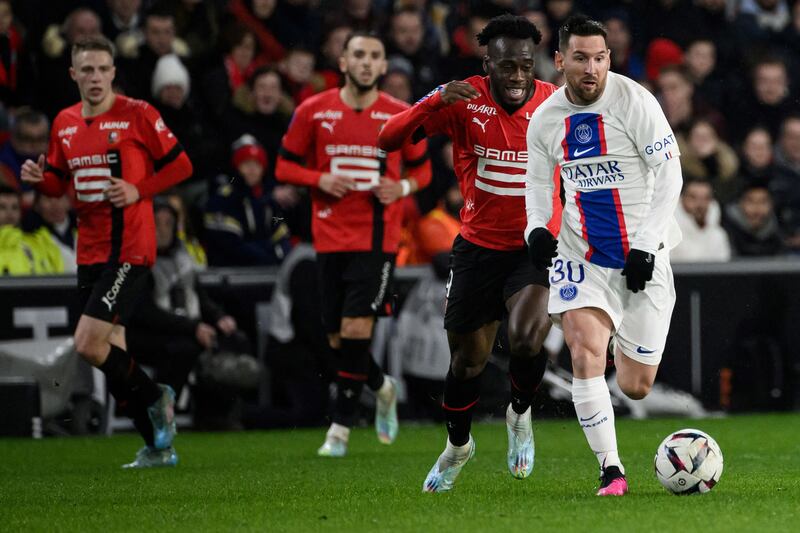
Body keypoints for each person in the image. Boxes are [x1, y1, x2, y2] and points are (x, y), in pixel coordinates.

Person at [379, 13, 561, 492]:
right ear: (488, 63)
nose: (518, 76)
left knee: (525, 338)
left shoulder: (555, 104)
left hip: (534, 248)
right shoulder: (463, 100)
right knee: (466, 364)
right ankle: (458, 445)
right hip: (477, 249)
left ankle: (519, 414)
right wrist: (431, 100)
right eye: (507, 67)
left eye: (526, 65)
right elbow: (388, 139)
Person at [525, 14, 683, 496]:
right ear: (559, 60)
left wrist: (643, 245)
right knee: (583, 350)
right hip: (582, 253)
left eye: (599, 58)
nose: (591, 68)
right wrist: (535, 227)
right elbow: (536, 181)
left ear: (609, 59)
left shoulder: (635, 101)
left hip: (643, 255)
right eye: (580, 58)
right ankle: (611, 470)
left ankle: (617, 336)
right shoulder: (546, 118)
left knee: (636, 385)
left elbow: (671, 176)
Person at [20, 35, 193, 468]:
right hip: (90, 249)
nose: (95, 77)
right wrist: (39, 178)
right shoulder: (64, 122)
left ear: (114, 72)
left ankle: (157, 399)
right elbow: (60, 184)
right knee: (110, 350)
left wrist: (139, 188)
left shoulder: (138, 113)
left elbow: (182, 164)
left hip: (130, 248)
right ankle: (158, 446)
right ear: (73, 74)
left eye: (102, 69)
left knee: (86, 343)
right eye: (87, 70)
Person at [275, 31, 432, 457]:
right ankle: (382, 387)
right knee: (339, 342)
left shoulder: (401, 114)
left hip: (378, 240)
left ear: (383, 67)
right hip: (328, 238)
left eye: (374, 56)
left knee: (356, 329)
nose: (366, 62)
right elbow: (284, 166)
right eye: (358, 55)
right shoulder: (313, 111)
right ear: (343, 62)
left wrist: (399, 187)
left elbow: (424, 173)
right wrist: (318, 178)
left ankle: (339, 430)